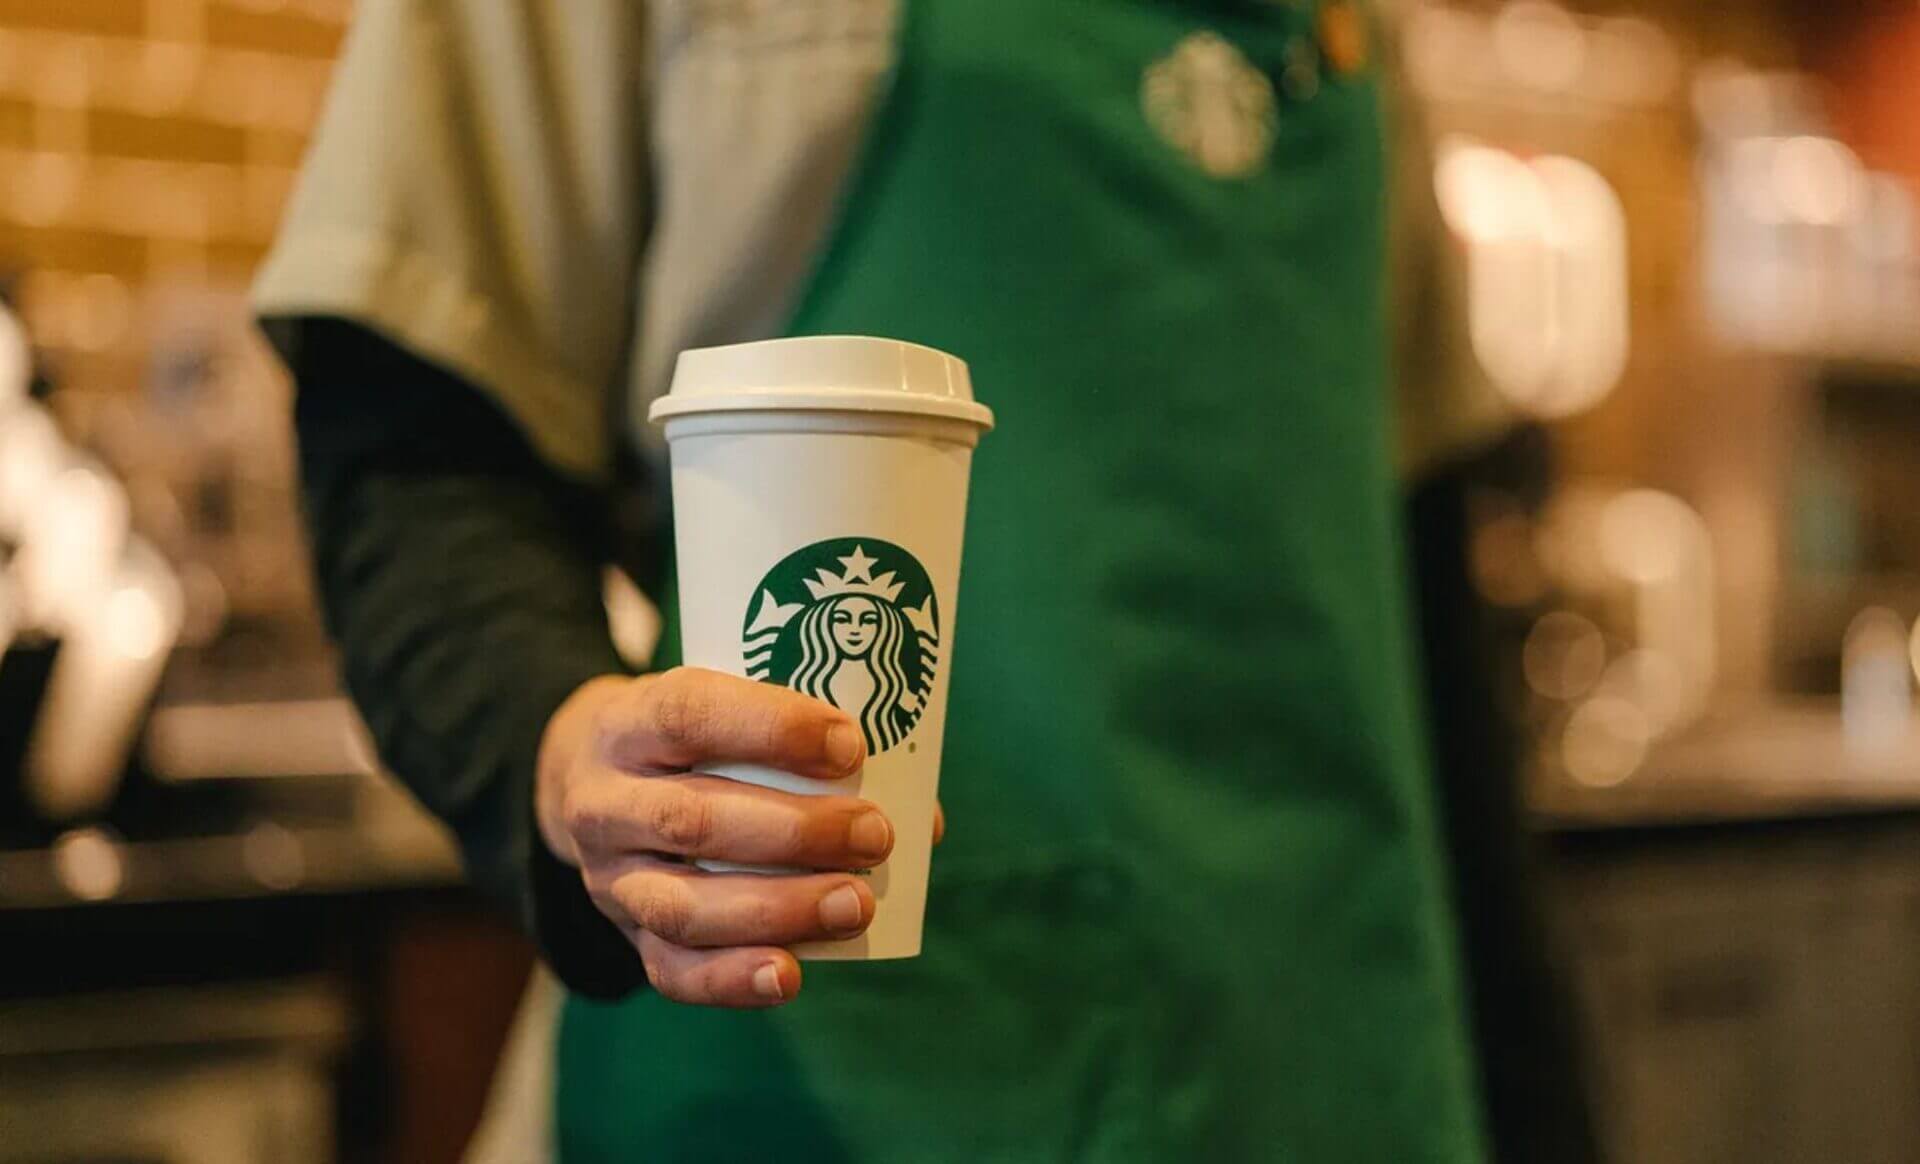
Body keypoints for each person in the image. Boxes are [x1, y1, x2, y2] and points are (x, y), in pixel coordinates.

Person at [256, 1, 1588, 1159]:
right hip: (835, 1092)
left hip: (1331, 1076)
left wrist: (1543, 1108)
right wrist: (556, 751)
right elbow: (415, 450)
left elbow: (1422, 598)